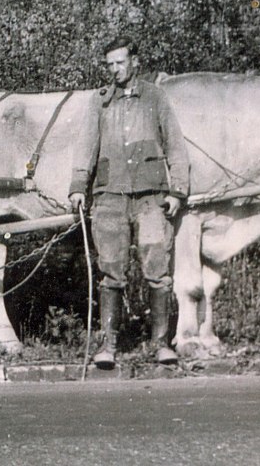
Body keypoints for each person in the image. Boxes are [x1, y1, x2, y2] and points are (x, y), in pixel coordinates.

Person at [68, 35, 189, 368]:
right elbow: (85, 146)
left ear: (135, 61)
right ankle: (108, 346)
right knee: (111, 273)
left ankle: (161, 344)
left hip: (151, 199)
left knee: (158, 271)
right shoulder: (100, 101)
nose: (115, 69)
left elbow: (176, 147)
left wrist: (178, 190)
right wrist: (79, 185)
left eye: (120, 62)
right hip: (109, 198)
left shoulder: (156, 98)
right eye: (110, 64)